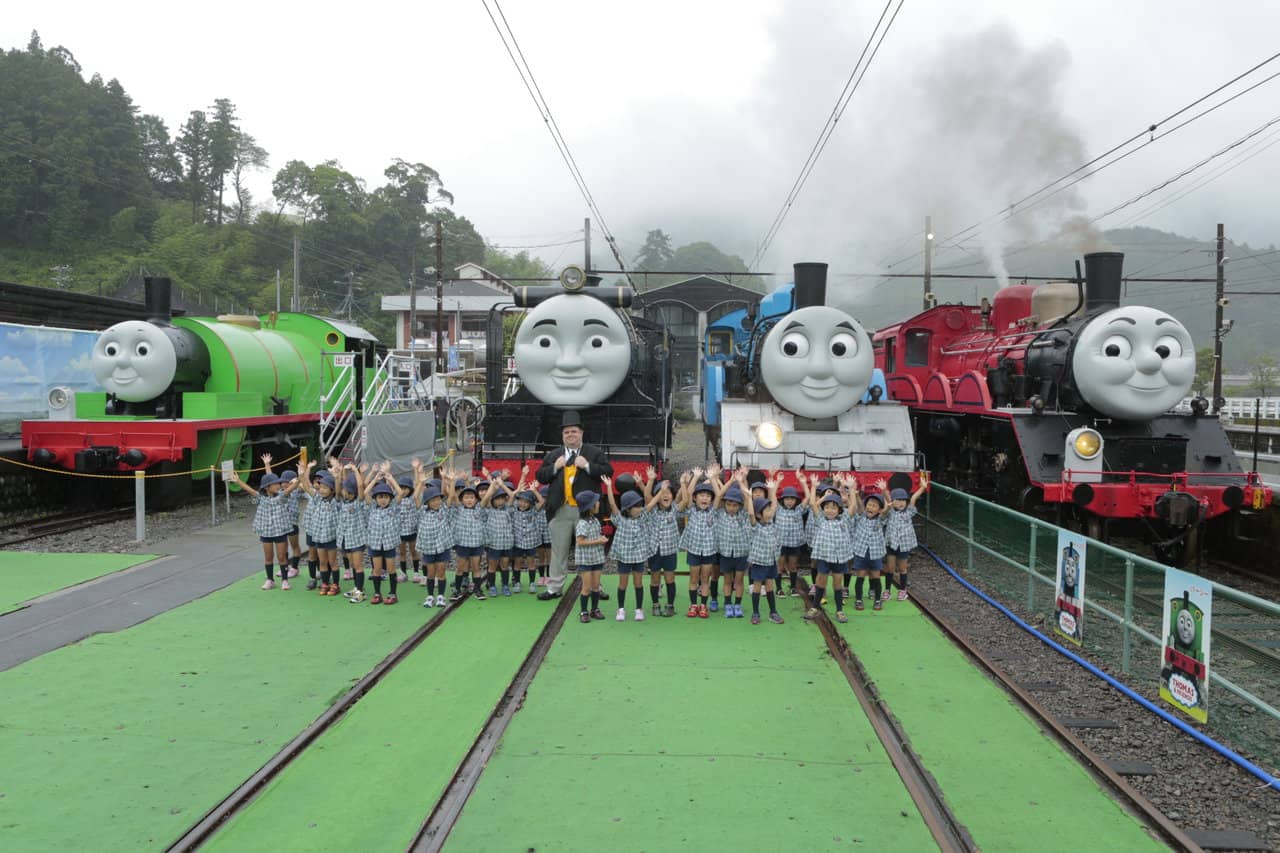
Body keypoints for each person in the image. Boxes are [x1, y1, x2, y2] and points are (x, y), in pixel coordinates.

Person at [536, 410, 614, 600]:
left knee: (591, 550)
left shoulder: (593, 452)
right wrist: (555, 467)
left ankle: (596, 587)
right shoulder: (554, 455)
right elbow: (540, 476)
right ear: (562, 435)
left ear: (581, 433)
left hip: (585, 511)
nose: (570, 435)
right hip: (560, 509)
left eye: (574, 431)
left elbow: (608, 471)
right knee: (559, 550)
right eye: (566, 432)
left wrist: (587, 466)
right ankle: (554, 588)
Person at [229, 466, 298, 590]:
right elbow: (250, 490)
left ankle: (285, 580)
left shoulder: (281, 496)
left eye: (278, 483)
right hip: (266, 532)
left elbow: (290, 489)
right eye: (275, 484)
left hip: (280, 531)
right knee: (268, 557)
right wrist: (238, 481)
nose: (278, 485)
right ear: (267, 487)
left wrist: (301, 477)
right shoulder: (261, 498)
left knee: (282, 557)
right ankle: (270, 580)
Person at [805, 473, 855, 623]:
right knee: (821, 581)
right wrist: (814, 487)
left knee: (837, 583)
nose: (830, 510)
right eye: (827, 507)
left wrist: (851, 489)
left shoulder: (844, 518)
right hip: (824, 557)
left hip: (839, 558)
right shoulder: (820, 519)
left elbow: (852, 506)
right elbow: (813, 504)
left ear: (839, 510)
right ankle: (815, 607)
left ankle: (839, 610)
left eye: (834, 507)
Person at [604, 477, 649, 621]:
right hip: (624, 557)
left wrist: (658, 492)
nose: (640, 508)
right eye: (637, 506)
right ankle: (621, 609)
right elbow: (612, 504)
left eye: (640, 505)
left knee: (638, 583)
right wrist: (609, 487)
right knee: (622, 583)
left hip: (638, 556)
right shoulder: (620, 519)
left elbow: (650, 502)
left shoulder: (642, 518)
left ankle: (639, 609)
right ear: (628, 509)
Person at [745, 472, 785, 624]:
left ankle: (773, 612)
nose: (771, 512)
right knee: (756, 587)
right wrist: (749, 498)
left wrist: (773, 490)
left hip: (771, 562)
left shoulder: (771, 524)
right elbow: (750, 513)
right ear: (759, 515)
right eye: (766, 510)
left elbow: (774, 504)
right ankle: (755, 613)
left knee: (769, 587)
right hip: (759, 563)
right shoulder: (755, 527)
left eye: (770, 510)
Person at [413, 458, 453, 608]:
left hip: (442, 547)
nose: (436, 502)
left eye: (438, 499)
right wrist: (421, 482)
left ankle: (441, 596)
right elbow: (415, 497)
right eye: (433, 500)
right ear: (427, 502)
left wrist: (446, 479)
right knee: (430, 573)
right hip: (429, 547)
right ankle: (430, 596)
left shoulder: (444, 509)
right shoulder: (422, 512)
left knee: (441, 572)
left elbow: (449, 496)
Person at [712, 468, 752, 619]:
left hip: (741, 553)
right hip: (726, 553)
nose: (732, 507)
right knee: (727, 580)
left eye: (735, 505)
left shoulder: (743, 515)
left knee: (739, 580)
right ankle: (728, 604)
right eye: (729, 504)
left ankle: (738, 604)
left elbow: (747, 498)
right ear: (725, 504)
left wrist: (742, 481)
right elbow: (719, 496)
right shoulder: (720, 514)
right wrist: (728, 481)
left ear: (740, 506)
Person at [297, 461, 340, 594]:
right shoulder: (317, 499)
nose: (321, 489)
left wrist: (337, 476)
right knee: (322, 562)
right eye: (320, 487)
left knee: (332, 562)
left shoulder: (335, 501)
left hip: (331, 538)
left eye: (325, 488)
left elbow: (338, 491)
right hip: (319, 538)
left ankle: (335, 585)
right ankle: (325, 584)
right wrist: (301, 474)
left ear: (331, 490)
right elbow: (307, 487)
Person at [883, 474, 928, 601]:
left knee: (903, 568)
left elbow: (914, 498)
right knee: (890, 568)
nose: (900, 503)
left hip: (903, 545)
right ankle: (887, 590)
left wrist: (922, 488)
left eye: (903, 500)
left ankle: (902, 590)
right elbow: (888, 499)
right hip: (891, 543)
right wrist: (883, 490)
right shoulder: (890, 512)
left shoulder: (909, 512)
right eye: (897, 500)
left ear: (906, 502)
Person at [365, 463, 404, 605]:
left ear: (390, 499)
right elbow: (365, 493)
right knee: (376, 570)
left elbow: (400, 493)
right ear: (375, 498)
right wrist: (376, 478)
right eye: (380, 497)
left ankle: (393, 593)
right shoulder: (371, 508)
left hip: (389, 544)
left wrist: (390, 478)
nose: (383, 499)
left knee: (391, 568)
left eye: (386, 497)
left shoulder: (393, 507)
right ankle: (377, 593)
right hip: (375, 544)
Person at [849, 477, 891, 611]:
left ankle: (878, 600)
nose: (870, 507)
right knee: (860, 576)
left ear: (879, 510)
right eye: (869, 505)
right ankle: (859, 599)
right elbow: (859, 506)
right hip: (861, 551)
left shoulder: (880, 520)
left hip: (875, 553)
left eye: (874, 506)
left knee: (876, 576)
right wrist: (855, 494)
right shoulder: (861, 516)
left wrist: (884, 491)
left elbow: (888, 508)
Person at [642, 469, 679, 618]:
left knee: (670, 578)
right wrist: (651, 480)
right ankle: (655, 604)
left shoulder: (674, 509)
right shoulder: (652, 511)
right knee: (655, 578)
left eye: (668, 493)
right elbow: (647, 497)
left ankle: (670, 605)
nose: (665, 495)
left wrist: (684, 483)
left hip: (669, 550)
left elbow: (683, 498)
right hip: (654, 550)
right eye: (662, 493)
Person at [574, 490, 608, 623]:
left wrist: (601, 538)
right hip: (586, 561)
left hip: (597, 558)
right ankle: (584, 611)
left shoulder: (595, 521)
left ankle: (595, 609)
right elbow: (580, 541)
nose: (598, 503)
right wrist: (598, 541)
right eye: (596, 502)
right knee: (586, 587)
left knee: (596, 586)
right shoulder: (582, 523)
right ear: (590, 507)